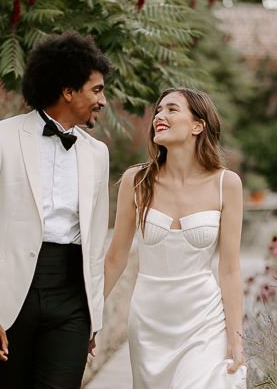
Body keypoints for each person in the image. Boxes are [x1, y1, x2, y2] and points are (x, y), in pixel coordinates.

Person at [0, 31, 111, 389]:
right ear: (68, 91)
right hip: (12, 299)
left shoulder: (97, 154)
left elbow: (96, 243)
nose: (102, 100)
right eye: (96, 90)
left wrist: (93, 319)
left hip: (72, 298)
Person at [104, 88, 247, 388]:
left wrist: (236, 338)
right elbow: (116, 258)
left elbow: (230, 270)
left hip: (203, 319)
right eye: (158, 110)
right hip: (149, 322)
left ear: (198, 125)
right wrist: (87, 318)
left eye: (171, 109)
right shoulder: (136, 181)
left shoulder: (226, 184)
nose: (159, 116)